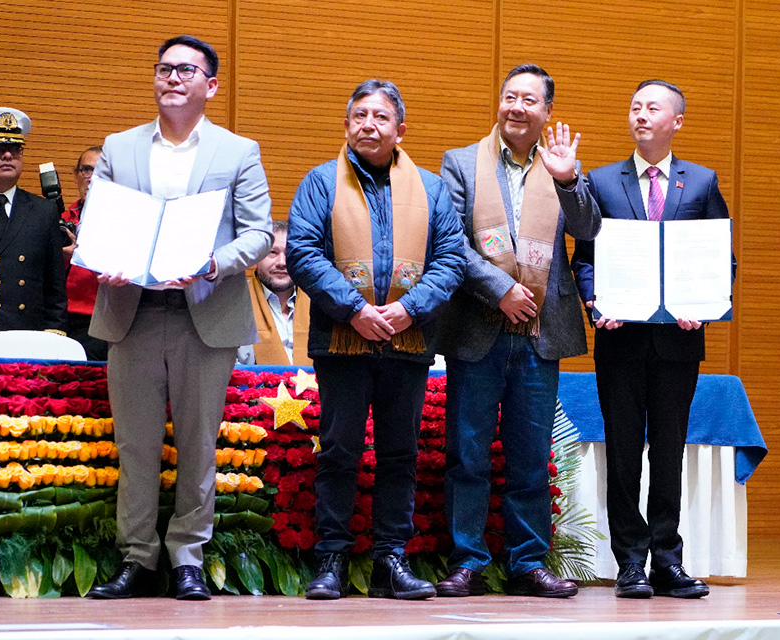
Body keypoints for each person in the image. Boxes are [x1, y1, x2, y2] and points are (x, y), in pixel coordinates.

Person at [85, 35, 273, 600]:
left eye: (186, 70)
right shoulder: (119, 147)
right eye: (163, 68)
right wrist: (106, 260)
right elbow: (101, 219)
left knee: (197, 444)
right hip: (132, 311)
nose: (171, 78)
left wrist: (215, 262)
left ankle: (187, 557)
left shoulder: (238, 151)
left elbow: (261, 233)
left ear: (210, 85)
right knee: (136, 445)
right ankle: (137, 559)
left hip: (205, 312)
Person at [287, 79, 464, 600]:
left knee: (399, 456)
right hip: (342, 342)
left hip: (407, 344)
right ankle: (331, 561)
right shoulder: (321, 182)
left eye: (381, 117)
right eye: (360, 115)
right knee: (339, 451)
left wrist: (409, 309)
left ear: (400, 130)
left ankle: (391, 560)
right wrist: (355, 309)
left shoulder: (431, 189)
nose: (369, 124)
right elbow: (302, 252)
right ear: (346, 125)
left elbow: (451, 258)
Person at [435, 63, 600, 598]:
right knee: (468, 452)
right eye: (510, 97)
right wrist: (499, 290)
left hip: (540, 334)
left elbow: (589, 228)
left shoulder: (564, 168)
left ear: (547, 111)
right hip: (477, 330)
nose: (517, 107)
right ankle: (468, 561)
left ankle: (529, 562)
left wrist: (570, 179)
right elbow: (449, 242)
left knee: (530, 455)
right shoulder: (461, 163)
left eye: (530, 100)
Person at [570, 80, 730, 599]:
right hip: (620, 341)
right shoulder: (600, 181)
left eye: (652, 107)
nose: (640, 115)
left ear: (676, 121)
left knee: (668, 453)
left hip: (678, 343)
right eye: (634, 106)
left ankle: (667, 560)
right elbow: (585, 259)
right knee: (622, 454)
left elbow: (720, 258)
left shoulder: (701, 182)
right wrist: (595, 303)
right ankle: (630, 563)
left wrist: (703, 309)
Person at [0, 107, 67, 354]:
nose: (8, 155)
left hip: (27, 338)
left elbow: (55, 288)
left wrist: (54, 335)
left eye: (16, 149)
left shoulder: (43, 211)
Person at [238, 219, 311, 366]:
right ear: (256, 258)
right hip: (253, 388)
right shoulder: (234, 302)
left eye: (290, 253)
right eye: (272, 252)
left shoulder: (319, 302)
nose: (282, 262)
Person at [60, 146, 107, 360]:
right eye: (86, 171)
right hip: (67, 318)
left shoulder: (129, 222)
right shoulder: (58, 218)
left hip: (109, 318)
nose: (91, 178)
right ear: (77, 176)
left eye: (100, 172)